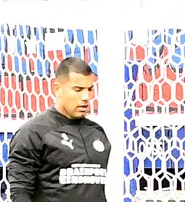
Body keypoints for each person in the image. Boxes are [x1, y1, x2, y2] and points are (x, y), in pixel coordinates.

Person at [6, 57, 109, 202]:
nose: (86, 97)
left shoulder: (98, 133)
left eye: (90, 89)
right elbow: (20, 193)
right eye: (78, 89)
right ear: (57, 89)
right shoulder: (33, 133)